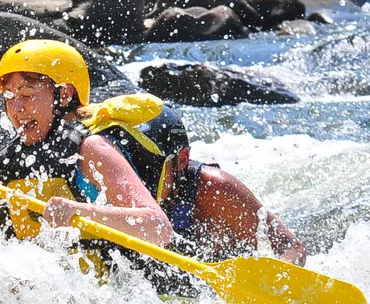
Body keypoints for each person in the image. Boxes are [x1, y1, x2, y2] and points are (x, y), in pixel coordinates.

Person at [0, 39, 174, 256]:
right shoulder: (10, 162)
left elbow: (159, 228)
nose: (16, 108)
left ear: (65, 94)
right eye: (9, 97)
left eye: (27, 95)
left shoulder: (91, 149)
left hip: (108, 285)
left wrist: (80, 212)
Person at [98, 110, 307, 264]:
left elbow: (290, 246)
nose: (133, 176)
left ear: (182, 160)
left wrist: (273, 283)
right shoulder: (101, 177)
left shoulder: (216, 190)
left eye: (147, 166)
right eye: (127, 162)